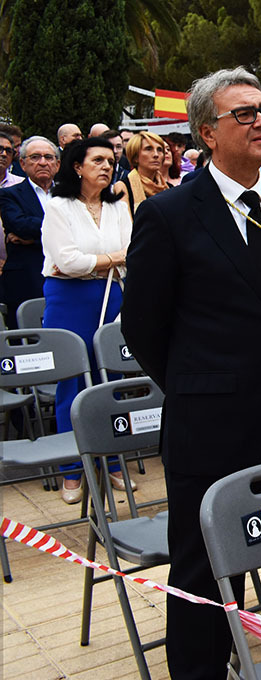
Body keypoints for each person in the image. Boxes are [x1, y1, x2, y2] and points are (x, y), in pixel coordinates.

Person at [122, 68, 261, 679]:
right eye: (245, 114)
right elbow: (144, 330)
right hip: (210, 428)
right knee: (204, 577)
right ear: (207, 132)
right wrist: (202, 383)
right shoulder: (170, 215)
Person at [42, 137, 133, 504]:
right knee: (73, 384)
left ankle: (112, 461)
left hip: (112, 295)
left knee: (110, 379)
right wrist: (115, 257)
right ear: (77, 166)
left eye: (110, 161)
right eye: (97, 160)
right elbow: (67, 262)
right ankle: (72, 471)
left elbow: (134, 251)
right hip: (69, 298)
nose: (106, 166)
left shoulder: (118, 207)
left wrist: (102, 259)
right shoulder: (58, 206)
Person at [0, 137, 59, 327]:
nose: (43, 162)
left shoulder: (69, 195)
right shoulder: (9, 194)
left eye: (48, 157)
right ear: (23, 164)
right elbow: (21, 225)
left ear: (57, 164)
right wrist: (63, 229)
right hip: (26, 281)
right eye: (35, 157)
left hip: (64, 278)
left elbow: (81, 229)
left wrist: (32, 240)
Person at [114, 131, 170, 216]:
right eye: (148, 149)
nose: (156, 155)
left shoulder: (168, 188)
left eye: (159, 150)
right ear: (135, 156)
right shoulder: (123, 186)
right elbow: (126, 225)